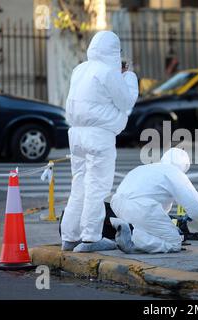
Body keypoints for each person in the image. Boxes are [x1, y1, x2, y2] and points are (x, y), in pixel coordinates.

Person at [60, 31, 139, 253]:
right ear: (114, 51)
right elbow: (126, 101)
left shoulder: (80, 69)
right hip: (99, 135)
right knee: (97, 187)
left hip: (76, 134)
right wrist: (129, 76)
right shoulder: (108, 72)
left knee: (79, 185)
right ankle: (91, 237)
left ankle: (69, 236)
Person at [109, 148, 198, 254]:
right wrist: (194, 215)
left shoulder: (144, 167)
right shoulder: (175, 173)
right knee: (174, 243)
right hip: (143, 208)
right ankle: (133, 240)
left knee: (150, 229)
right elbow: (196, 209)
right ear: (185, 165)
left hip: (118, 204)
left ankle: (126, 228)